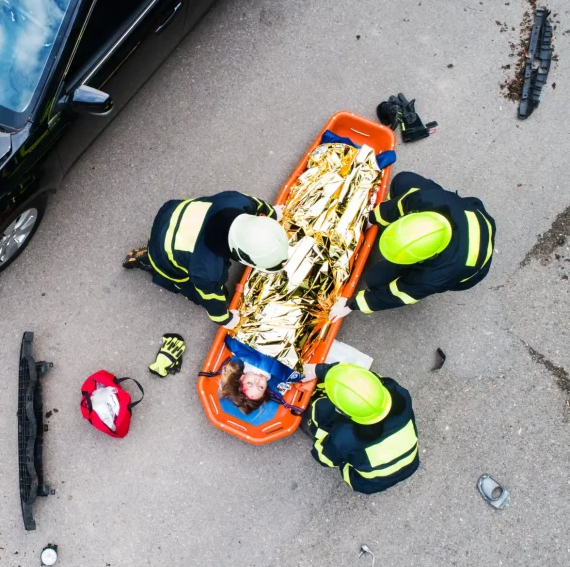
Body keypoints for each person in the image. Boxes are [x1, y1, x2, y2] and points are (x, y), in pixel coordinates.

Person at [329, 172, 495, 321]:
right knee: (403, 181)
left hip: (470, 271)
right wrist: (371, 219)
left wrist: (352, 304)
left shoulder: (436, 275)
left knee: (376, 279)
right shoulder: (426, 199)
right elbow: (399, 205)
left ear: (427, 257)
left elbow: (400, 294)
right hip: (468, 214)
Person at [124, 191, 288, 329]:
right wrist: (226, 319)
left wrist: (273, 214)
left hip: (172, 213)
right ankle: (148, 261)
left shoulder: (239, 202)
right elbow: (212, 300)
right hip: (163, 252)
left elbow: (258, 205)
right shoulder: (207, 272)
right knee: (194, 289)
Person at [300, 362, 419, 494]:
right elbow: (369, 380)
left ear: (344, 412)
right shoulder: (400, 394)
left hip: (369, 483)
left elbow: (324, 459)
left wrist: (328, 440)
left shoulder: (345, 437)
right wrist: (320, 370)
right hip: (411, 464)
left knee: (322, 412)